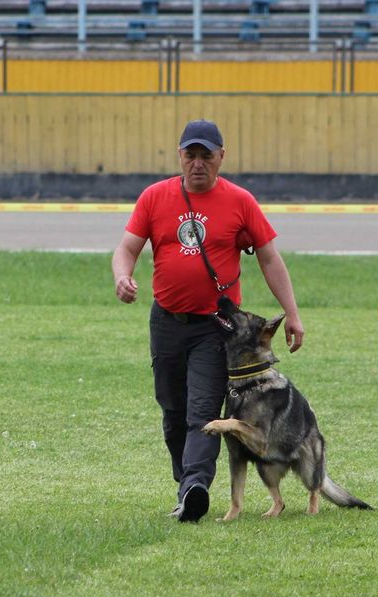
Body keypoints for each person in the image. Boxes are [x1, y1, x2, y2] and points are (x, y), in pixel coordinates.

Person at [111, 119, 305, 523]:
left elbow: (269, 258)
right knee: (172, 410)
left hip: (215, 328)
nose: (198, 163)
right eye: (190, 155)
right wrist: (122, 276)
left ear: (221, 157)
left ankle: (196, 487)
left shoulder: (240, 202)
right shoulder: (154, 197)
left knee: (202, 411)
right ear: (179, 155)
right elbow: (127, 247)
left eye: (206, 155)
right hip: (166, 321)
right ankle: (188, 489)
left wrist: (293, 315)